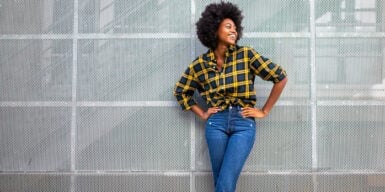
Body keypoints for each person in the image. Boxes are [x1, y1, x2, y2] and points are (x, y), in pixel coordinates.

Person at [174, 2, 287, 192]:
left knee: (225, 183)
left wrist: (264, 111)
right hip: (215, 123)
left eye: (235, 28)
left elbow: (280, 77)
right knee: (223, 183)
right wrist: (202, 113)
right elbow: (181, 91)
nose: (233, 31)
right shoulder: (200, 65)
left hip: (243, 123)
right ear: (214, 29)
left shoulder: (246, 55)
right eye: (228, 27)